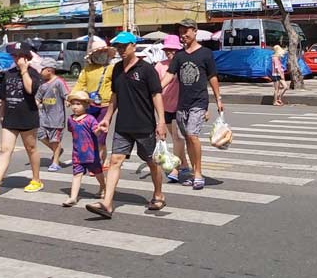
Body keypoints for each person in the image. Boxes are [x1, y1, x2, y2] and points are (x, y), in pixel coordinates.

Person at [85, 31, 166, 219]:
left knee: (152, 162)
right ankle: (107, 203)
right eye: (118, 46)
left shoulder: (147, 69)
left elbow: (156, 95)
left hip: (144, 125)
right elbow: (115, 96)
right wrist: (107, 118)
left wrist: (161, 122)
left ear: (133, 46)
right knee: (115, 161)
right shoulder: (117, 69)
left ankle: (159, 194)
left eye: (124, 46)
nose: (121, 49)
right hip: (123, 126)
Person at [159, 18, 223, 191]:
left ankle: (198, 173)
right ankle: (193, 170)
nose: (183, 35)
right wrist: (156, 88)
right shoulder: (179, 56)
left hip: (199, 102)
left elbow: (212, 76)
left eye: (186, 31)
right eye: (180, 32)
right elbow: (169, 76)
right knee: (187, 137)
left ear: (195, 31)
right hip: (182, 104)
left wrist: (218, 98)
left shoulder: (206, 53)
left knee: (193, 136)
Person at [0, 41, 44, 198]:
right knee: (5, 150)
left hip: (28, 115)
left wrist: (24, 70)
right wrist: (1, 113)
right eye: (14, 56)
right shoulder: (8, 73)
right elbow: (4, 97)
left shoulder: (34, 73)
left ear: (27, 57)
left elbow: (30, 89)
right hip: (10, 116)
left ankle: (36, 180)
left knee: (31, 148)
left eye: (19, 56)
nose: (16, 58)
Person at [154, 34, 191, 184]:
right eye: (167, 50)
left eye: (173, 50)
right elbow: (155, 86)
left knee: (177, 138)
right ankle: (185, 164)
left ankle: (175, 168)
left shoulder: (183, 64)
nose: (170, 53)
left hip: (180, 106)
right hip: (164, 106)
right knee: (175, 138)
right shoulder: (159, 65)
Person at [72, 38, 115, 167]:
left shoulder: (112, 69)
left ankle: (99, 162)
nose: (101, 55)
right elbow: (80, 84)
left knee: (100, 134)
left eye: (103, 52)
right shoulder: (87, 69)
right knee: (90, 133)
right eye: (98, 52)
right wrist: (72, 97)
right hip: (90, 104)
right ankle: (98, 158)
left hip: (106, 105)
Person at [62, 90, 107, 207]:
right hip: (77, 153)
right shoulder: (71, 119)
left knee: (98, 172)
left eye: (78, 104)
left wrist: (100, 129)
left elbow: (95, 132)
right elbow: (72, 131)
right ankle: (73, 197)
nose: (75, 107)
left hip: (91, 154)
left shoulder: (90, 119)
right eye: (73, 104)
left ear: (86, 105)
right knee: (77, 174)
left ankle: (104, 187)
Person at [36, 58, 67, 171]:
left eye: (42, 70)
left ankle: (55, 162)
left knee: (55, 140)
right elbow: (38, 98)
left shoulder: (59, 82)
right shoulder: (43, 85)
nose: (40, 72)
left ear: (49, 70)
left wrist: (70, 101)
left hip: (56, 119)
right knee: (41, 136)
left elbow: (67, 95)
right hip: (43, 118)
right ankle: (57, 150)